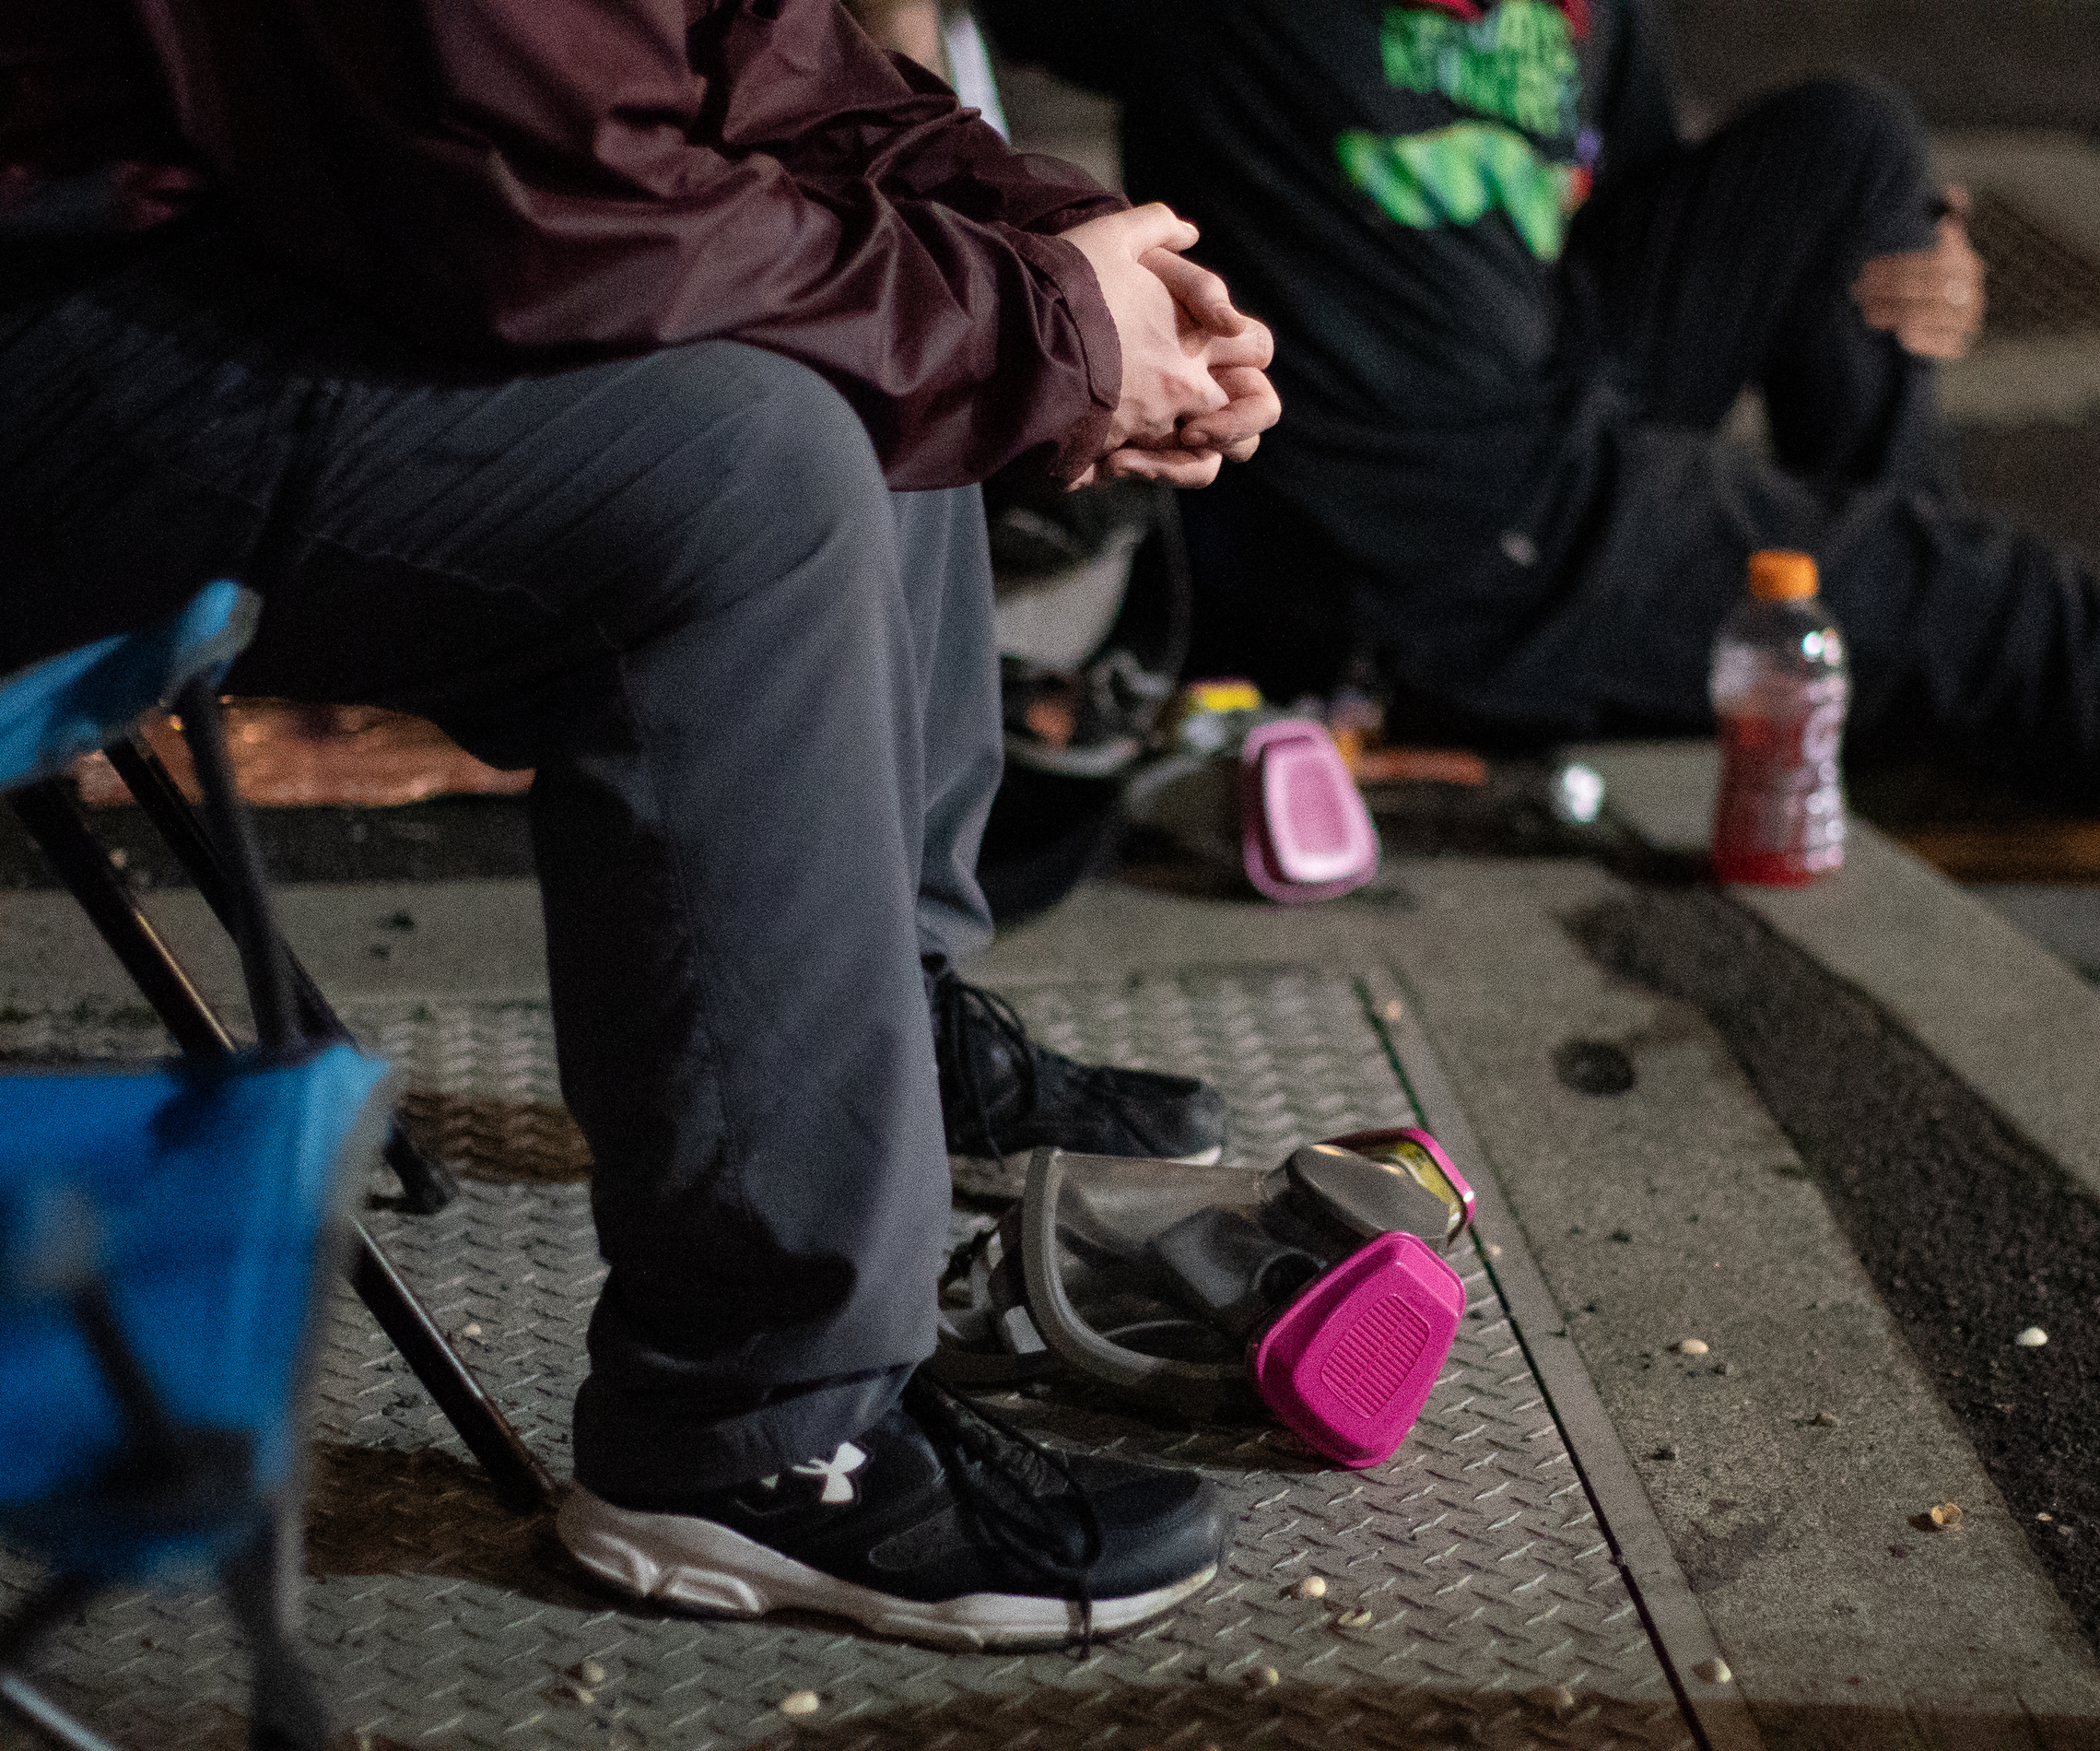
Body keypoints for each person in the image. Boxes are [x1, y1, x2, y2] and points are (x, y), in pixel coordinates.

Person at [0, 0, 1282, 1647]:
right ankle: (760, 1430)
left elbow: (747, 62)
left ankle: (869, 1032)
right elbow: (532, 203)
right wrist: (1045, 323)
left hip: (253, 237)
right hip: (64, 309)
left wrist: (1038, 235)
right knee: (750, 466)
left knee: (901, 329)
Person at [978, 0, 2100, 866]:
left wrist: (1913, 271)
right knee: (1996, 604)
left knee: (1852, 149)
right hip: (1417, 531)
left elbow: (1633, 205)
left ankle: (1904, 689)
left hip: (1554, 390)